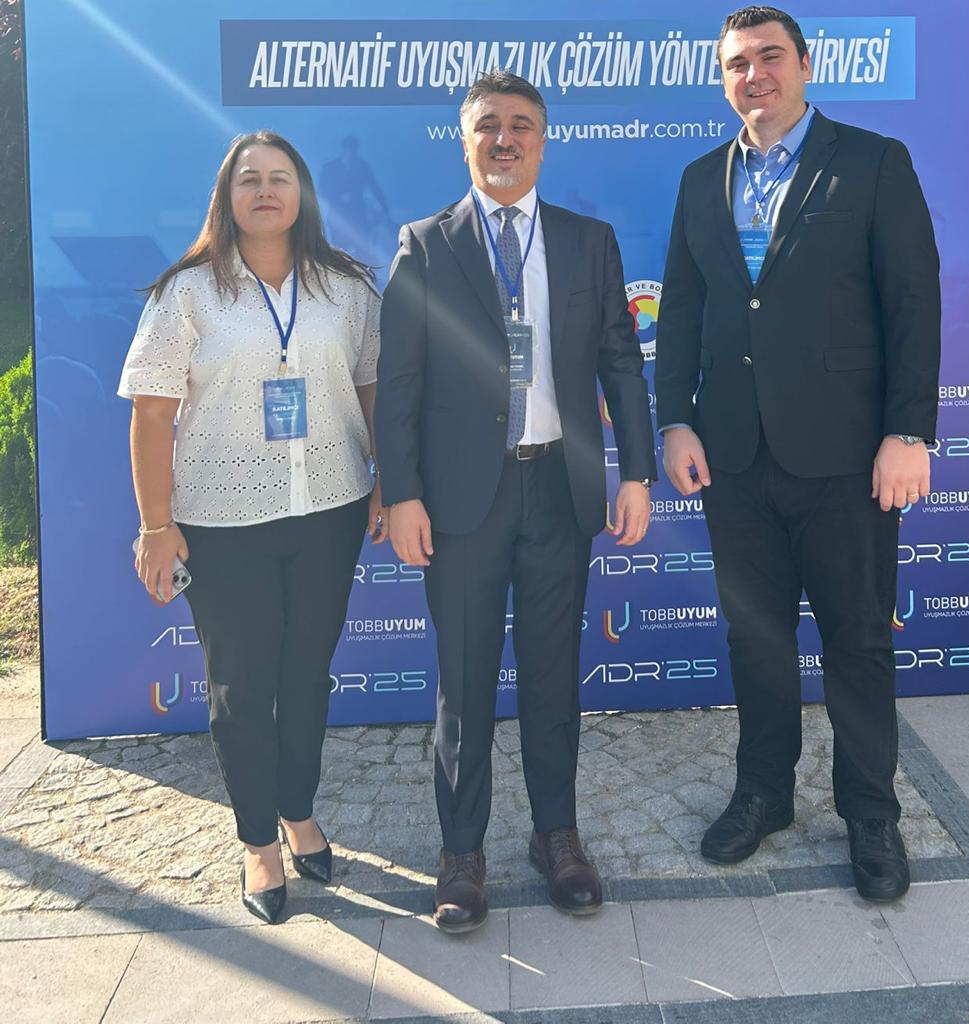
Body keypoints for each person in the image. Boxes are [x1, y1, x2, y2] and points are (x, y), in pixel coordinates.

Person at [656, 5, 940, 902]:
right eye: (737, 63)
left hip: (848, 457)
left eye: (770, 57)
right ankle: (764, 794)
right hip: (733, 457)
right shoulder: (702, 178)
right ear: (723, 79)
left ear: (806, 65)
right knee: (756, 639)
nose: (755, 75)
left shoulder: (873, 162)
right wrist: (674, 420)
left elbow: (913, 302)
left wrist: (908, 431)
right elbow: (683, 312)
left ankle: (871, 814)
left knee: (858, 642)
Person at [375, 71, 656, 933]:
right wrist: (403, 494)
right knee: (463, 683)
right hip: (462, 500)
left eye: (522, 125)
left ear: (543, 140)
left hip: (559, 492)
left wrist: (636, 473)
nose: (505, 139)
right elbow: (399, 383)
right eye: (489, 125)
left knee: (552, 675)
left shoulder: (587, 241)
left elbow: (620, 362)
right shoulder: (426, 244)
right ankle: (462, 855)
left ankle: (556, 836)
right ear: (463, 141)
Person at [119, 131, 383, 925]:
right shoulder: (188, 293)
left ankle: (298, 811)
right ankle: (259, 841)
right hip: (221, 520)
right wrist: (155, 525)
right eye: (249, 180)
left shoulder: (346, 288)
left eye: (280, 177)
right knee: (240, 685)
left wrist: (388, 484)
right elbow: (152, 415)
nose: (265, 190)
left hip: (331, 509)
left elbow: (372, 390)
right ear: (226, 198)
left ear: (303, 193)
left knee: (306, 675)